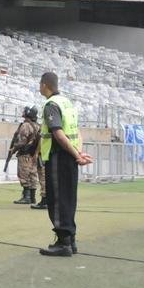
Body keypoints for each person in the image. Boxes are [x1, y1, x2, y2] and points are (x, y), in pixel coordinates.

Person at [38, 71, 93, 257]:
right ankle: (71, 240)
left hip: (58, 157)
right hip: (69, 157)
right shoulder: (67, 103)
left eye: (40, 84)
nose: (39, 87)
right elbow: (77, 132)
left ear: (45, 85)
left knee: (58, 199)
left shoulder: (51, 105)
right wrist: (78, 153)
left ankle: (63, 243)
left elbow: (58, 134)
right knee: (69, 198)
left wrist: (74, 153)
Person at [11, 106, 40, 205]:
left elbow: (21, 141)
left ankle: (26, 197)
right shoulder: (37, 125)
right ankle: (32, 197)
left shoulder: (25, 126)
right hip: (34, 154)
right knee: (32, 175)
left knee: (23, 175)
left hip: (25, 153)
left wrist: (13, 149)